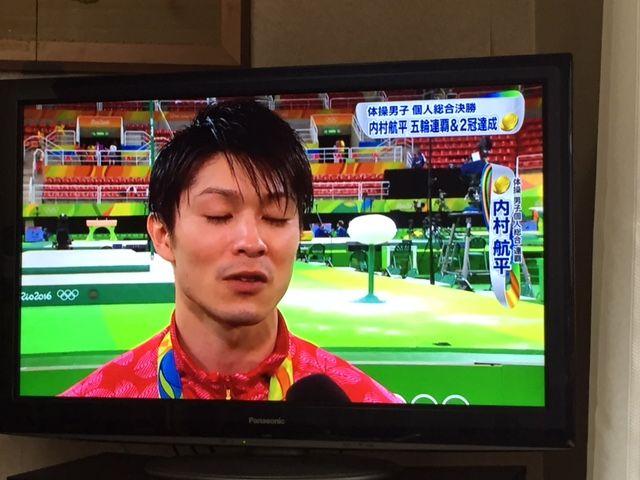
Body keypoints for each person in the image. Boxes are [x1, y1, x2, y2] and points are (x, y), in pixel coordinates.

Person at [62, 101, 401, 404]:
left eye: (276, 216)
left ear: (299, 233)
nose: (251, 242)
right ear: (163, 235)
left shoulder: (368, 408)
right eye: (219, 215)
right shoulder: (88, 413)